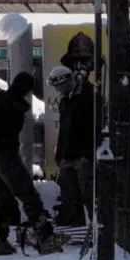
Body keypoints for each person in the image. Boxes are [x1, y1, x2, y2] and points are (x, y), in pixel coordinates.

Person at [0, 72, 65, 256]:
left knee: (3, 196)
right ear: (27, 89)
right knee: (27, 193)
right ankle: (45, 238)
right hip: (5, 155)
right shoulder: (13, 106)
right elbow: (8, 134)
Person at [50, 66, 95, 228]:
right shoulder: (65, 101)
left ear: (67, 82)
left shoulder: (86, 97)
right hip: (69, 156)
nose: (57, 91)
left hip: (83, 156)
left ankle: (96, 230)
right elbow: (63, 130)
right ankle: (77, 229)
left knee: (89, 196)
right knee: (70, 196)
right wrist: (60, 156)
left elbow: (92, 129)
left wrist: (87, 155)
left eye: (58, 87)